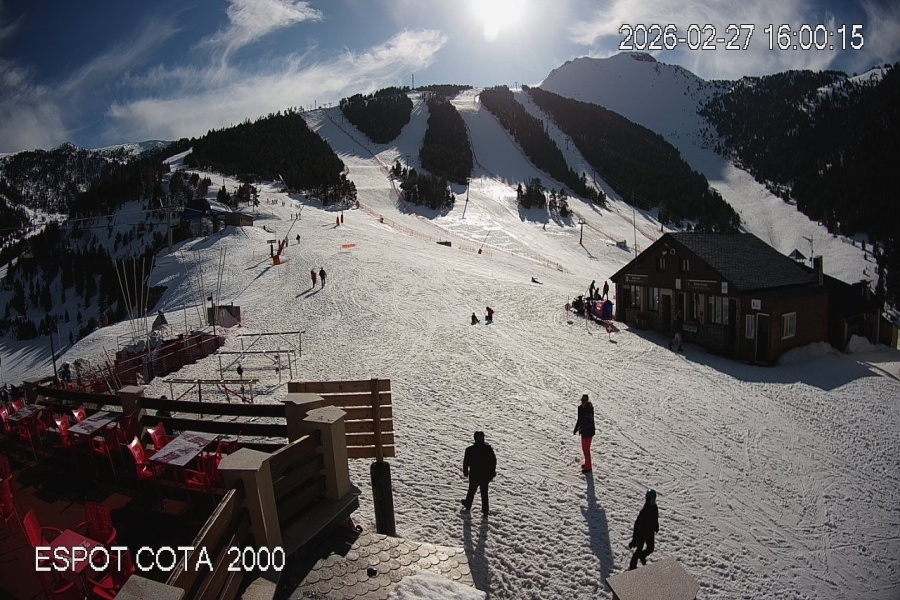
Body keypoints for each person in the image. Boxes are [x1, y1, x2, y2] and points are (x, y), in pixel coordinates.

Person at [461, 431, 497, 517]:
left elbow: (466, 462)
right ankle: (485, 511)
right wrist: (492, 472)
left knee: (472, 491)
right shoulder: (488, 449)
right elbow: (493, 461)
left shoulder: (470, 450)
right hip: (485, 476)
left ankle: (468, 504)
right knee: (484, 493)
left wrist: (465, 472)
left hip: (475, 475)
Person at [628, 489, 659, 570]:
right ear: (648, 500)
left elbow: (655, 518)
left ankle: (642, 555)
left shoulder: (655, 508)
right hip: (642, 534)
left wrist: (656, 526)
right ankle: (632, 567)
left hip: (650, 533)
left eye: (654, 500)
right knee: (638, 551)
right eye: (652, 500)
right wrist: (634, 539)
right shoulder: (644, 511)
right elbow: (636, 524)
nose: (654, 502)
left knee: (650, 548)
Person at [573, 394, 595, 473]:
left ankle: (588, 467)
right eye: (582, 400)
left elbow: (590, 423)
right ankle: (587, 464)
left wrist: (581, 428)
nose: (583, 402)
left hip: (588, 432)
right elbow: (579, 420)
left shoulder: (589, 409)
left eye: (584, 401)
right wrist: (576, 429)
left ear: (587, 401)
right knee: (584, 449)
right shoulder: (580, 408)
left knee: (586, 449)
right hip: (583, 432)